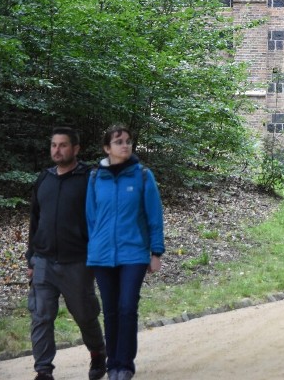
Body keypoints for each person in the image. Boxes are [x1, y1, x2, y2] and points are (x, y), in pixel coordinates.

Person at [26, 127, 107, 380]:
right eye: (53, 145)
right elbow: (35, 219)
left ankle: (98, 354)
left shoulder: (89, 178)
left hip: (78, 262)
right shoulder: (45, 178)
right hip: (43, 261)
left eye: (62, 145)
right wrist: (31, 257)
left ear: (76, 149)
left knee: (85, 315)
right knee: (41, 316)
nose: (57, 150)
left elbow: (103, 218)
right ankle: (43, 371)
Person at [86, 125, 165, 380]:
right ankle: (113, 366)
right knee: (110, 311)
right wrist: (93, 247)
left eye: (128, 141)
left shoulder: (142, 176)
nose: (125, 145)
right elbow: (91, 217)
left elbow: (154, 216)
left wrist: (156, 252)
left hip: (134, 253)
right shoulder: (96, 177)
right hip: (102, 255)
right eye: (119, 142)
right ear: (107, 148)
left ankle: (125, 366)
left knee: (127, 307)